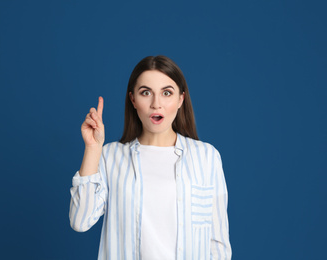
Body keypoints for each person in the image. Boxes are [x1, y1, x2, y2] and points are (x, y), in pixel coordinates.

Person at [69, 55, 232, 260]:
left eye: (166, 93)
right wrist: (93, 148)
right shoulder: (110, 156)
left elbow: (217, 245)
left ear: (181, 99)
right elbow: (80, 220)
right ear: (133, 99)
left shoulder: (207, 157)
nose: (156, 104)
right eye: (146, 93)